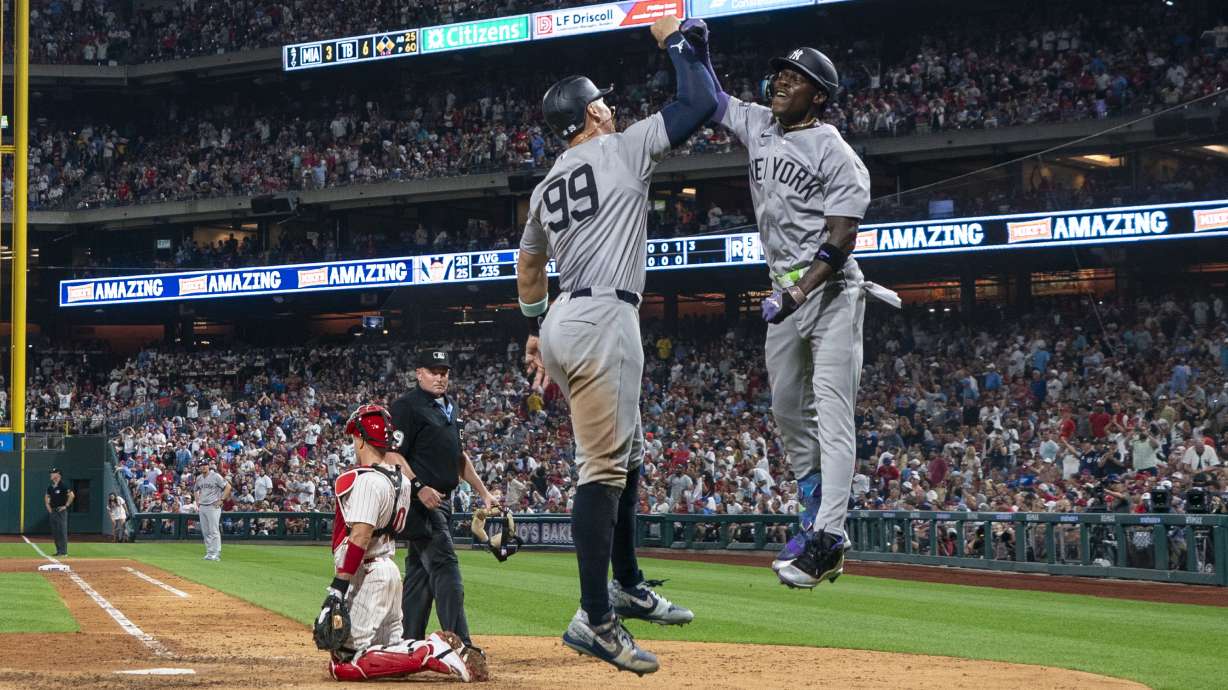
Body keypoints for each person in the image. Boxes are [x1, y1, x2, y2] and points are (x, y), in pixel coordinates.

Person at [516, 15, 711, 675]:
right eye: (600, 99)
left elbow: (528, 268)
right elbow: (699, 104)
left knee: (624, 456)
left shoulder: (546, 188)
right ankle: (594, 619)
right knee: (601, 471)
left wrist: (536, 328)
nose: (611, 104)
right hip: (604, 315)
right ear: (587, 113)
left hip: (565, 317)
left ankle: (624, 581)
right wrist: (677, 43)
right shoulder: (623, 147)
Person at [685, 19, 900, 589]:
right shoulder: (759, 124)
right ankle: (812, 502)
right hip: (784, 291)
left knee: (832, 411)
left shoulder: (835, 150)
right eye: (780, 72)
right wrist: (701, 52)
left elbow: (842, 235)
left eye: (795, 77)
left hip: (830, 292)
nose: (781, 80)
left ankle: (829, 538)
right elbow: (709, 99)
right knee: (785, 407)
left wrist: (800, 291)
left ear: (819, 96)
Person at [320, 404, 484, 682]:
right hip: (388, 570)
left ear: (360, 439)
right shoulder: (402, 482)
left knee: (344, 662)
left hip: (371, 574)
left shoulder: (366, 481)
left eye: (353, 438)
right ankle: (421, 648)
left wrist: (338, 587)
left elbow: (360, 536)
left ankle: (431, 650)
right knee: (388, 648)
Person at [384, 350, 496, 653]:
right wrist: (419, 487)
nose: (440, 377)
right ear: (419, 373)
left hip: (443, 502)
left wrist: (483, 492)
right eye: (434, 371)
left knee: (420, 575)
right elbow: (393, 454)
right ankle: (462, 647)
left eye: (444, 371)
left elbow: (458, 457)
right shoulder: (406, 406)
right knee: (446, 566)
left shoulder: (450, 407)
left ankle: (408, 644)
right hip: (420, 503)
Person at [194, 460, 231, 561]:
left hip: (213, 506)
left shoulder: (215, 476)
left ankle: (216, 553)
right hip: (203, 506)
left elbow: (228, 487)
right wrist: (197, 501)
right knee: (206, 531)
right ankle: (210, 553)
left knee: (214, 530)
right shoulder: (199, 478)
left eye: (205, 465)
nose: (203, 467)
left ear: (208, 466)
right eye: (201, 465)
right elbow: (195, 490)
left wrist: (222, 500)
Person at [45, 468, 74, 557]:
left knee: (62, 531)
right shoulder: (50, 486)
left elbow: (72, 495)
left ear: (58, 474)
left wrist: (66, 506)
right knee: (55, 531)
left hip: (61, 511)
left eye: (53, 473)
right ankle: (58, 551)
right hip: (53, 510)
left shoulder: (64, 485)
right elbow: (46, 496)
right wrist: (48, 507)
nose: (51, 475)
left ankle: (64, 552)